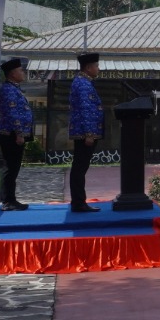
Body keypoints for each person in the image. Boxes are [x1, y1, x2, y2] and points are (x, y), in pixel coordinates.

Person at [0, 57, 32, 210]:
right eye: (20, 70)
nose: (23, 73)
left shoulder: (14, 88)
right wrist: (19, 133)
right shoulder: (9, 90)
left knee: (14, 167)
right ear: (12, 74)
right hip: (10, 134)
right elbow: (12, 113)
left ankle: (11, 199)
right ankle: (7, 201)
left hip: (13, 133)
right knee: (11, 167)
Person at [66, 53, 103, 211]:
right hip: (84, 133)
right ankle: (78, 202)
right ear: (88, 68)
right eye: (96, 66)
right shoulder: (83, 84)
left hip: (85, 132)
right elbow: (86, 109)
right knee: (80, 168)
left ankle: (79, 201)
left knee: (80, 167)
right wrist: (89, 133)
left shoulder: (84, 82)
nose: (98, 69)